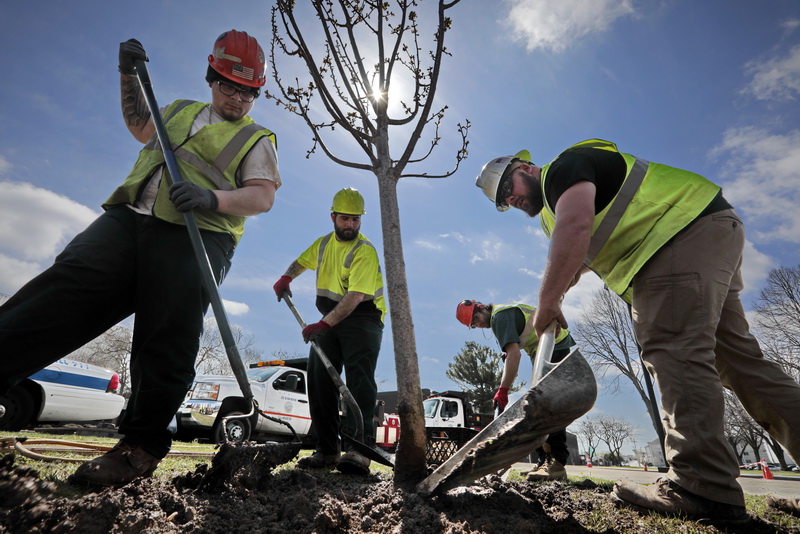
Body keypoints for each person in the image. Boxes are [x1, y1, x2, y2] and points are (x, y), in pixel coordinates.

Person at [0, 30, 280, 488]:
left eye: (249, 92)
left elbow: (262, 196)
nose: (238, 99)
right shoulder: (179, 110)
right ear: (212, 77)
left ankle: (140, 445)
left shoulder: (255, 137)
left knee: (167, 330)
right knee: (63, 290)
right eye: (230, 85)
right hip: (129, 220)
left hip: (198, 235)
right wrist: (128, 75)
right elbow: (139, 125)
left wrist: (211, 199)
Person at [475, 141, 800, 524]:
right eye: (501, 201)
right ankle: (706, 481)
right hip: (705, 230)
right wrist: (557, 293)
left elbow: (576, 226)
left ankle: (700, 485)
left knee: (673, 349)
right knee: (739, 364)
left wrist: (547, 299)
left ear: (525, 169)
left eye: (507, 188)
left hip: (674, 238)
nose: (508, 199)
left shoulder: (563, 170)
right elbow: (577, 251)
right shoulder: (552, 211)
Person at [273, 188, 385, 476]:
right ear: (333, 217)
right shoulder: (323, 245)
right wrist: (287, 276)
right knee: (319, 377)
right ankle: (327, 450)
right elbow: (301, 261)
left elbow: (355, 297)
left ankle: (359, 450)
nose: (351, 225)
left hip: (363, 319)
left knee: (359, 380)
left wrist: (323, 325)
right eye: (346, 219)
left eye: (356, 220)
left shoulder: (364, 251)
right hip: (330, 319)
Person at [455, 299, 577, 481]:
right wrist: (511, 349)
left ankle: (556, 464)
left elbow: (514, 355)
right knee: (537, 407)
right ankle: (544, 462)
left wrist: (503, 390)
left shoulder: (499, 318)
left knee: (547, 406)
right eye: (473, 325)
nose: (478, 324)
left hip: (554, 346)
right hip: (546, 349)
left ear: (481, 307)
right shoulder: (502, 316)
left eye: (476, 318)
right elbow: (516, 346)